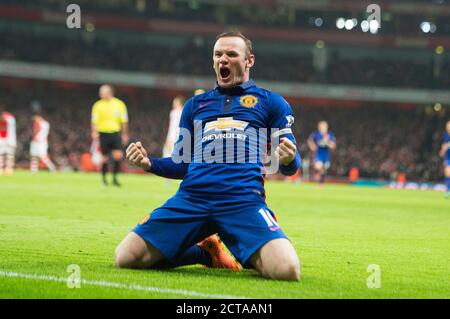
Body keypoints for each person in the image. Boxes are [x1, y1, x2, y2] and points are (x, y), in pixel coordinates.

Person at [115, 31, 302, 281]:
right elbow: (181, 164)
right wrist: (149, 164)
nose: (223, 59)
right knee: (126, 258)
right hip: (192, 198)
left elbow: (291, 166)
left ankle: (245, 248)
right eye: (218, 54)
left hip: (242, 201)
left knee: (287, 270)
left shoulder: (271, 103)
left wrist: (288, 159)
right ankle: (205, 254)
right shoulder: (194, 106)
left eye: (231, 54)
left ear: (249, 61)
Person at [91, 84, 129, 186]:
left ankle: (115, 179)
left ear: (109, 92)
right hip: (103, 133)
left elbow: (124, 121)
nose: (100, 94)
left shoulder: (119, 104)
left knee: (118, 156)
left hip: (115, 133)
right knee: (104, 158)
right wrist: (94, 132)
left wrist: (125, 134)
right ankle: (104, 180)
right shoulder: (97, 105)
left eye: (102, 92)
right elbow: (94, 121)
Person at [0, 107, 16, 176]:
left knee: (9, 156)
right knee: (1, 155)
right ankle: (1, 169)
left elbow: (10, 123)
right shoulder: (2, 121)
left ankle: (9, 170)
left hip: (9, 140)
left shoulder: (11, 120)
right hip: (2, 139)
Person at [439, 120, 450, 198]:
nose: (448, 127)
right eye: (447, 126)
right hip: (448, 157)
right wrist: (442, 151)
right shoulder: (446, 135)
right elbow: (444, 145)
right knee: (447, 173)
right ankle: (448, 190)